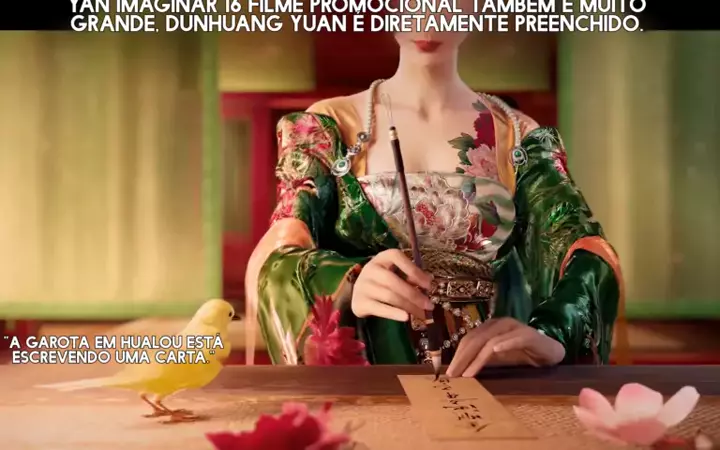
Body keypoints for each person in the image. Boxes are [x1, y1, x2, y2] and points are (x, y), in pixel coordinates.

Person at [244, 27, 625, 377]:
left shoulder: (517, 134)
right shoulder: (329, 125)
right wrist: (344, 281)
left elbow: (585, 251)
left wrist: (556, 332)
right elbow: (281, 254)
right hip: (366, 365)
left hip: (482, 368)